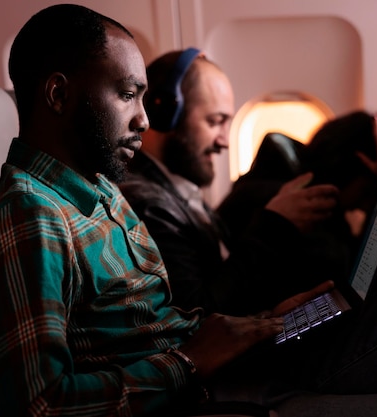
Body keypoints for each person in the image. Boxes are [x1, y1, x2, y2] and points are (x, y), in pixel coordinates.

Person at [0, 4, 377, 417]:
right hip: (200, 394)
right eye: (128, 94)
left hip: (222, 367)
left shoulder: (99, 191)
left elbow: (154, 322)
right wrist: (192, 360)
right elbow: (39, 405)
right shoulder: (31, 215)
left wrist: (262, 323)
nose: (143, 119)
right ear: (59, 94)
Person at [119, 50, 340, 315]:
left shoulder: (178, 190)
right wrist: (274, 225)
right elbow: (198, 315)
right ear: (165, 114)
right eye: (215, 122)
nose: (224, 141)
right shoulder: (148, 205)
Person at [218, 110, 377, 287]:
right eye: (367, 191)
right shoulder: (301, 204)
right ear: (351, 168)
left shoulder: (282, 176)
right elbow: (355, 288)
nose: (365, 205)